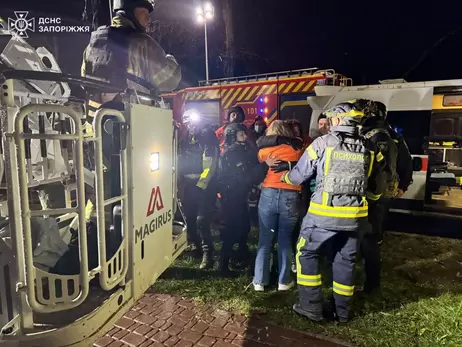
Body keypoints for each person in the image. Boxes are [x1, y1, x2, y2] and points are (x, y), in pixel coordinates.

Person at [280, 101, 385, 323]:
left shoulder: (322, 143)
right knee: (346, 262)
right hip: (355, 220)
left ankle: (310, 307)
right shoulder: (371, 147)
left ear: (338, 120)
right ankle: (343, 312)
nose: (328, 123)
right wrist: (370, 200)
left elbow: (299, 175)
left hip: (322, 217)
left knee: (306, 254)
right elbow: (378, 185)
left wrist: (286, 177)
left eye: (330, 119)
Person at [81, 0, 181, 103]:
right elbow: (170, 80)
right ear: (129, 12)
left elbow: (85, 81)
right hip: (135, 114)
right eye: (144, 13)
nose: (148, 19)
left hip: (96, 115)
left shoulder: (93, 43)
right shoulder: (143, 43)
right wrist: (169, 59)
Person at [253, 120, 303, 292]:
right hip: (290, 194)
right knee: (285, 239)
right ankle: (284, 281)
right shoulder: (296, 149)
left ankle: (259, 281)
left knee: (265, 239)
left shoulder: (265, 150)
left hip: (268, 193)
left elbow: (257, 158)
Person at [356, 99, 399, 293]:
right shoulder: (388, 134)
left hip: (375, 194)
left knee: (369, 240)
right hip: (381, 192)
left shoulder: (376, 137)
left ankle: (372, 285)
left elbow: (375, 171)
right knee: (369, 238)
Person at [218, 123, 263, 274]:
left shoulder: (244, 150)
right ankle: (224, 263)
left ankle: (241, 255)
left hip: (240, 195)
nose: (245, 136)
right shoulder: (230, 154)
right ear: (232, 136)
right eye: (241, 134)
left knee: (244, 226)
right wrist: (263, 167)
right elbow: (244, 176)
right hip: (231, 196)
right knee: (232, 228)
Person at [178, 111, 219, 269]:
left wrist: (201, 185)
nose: (191, 126)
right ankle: (196, 246)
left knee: (202, 220)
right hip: (189, 184)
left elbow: (211, 164)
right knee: (189, 217)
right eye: (188, 124)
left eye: (193, 123)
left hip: (204, 186)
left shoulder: (208, 137)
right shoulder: (185, 139)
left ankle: (208, 254)